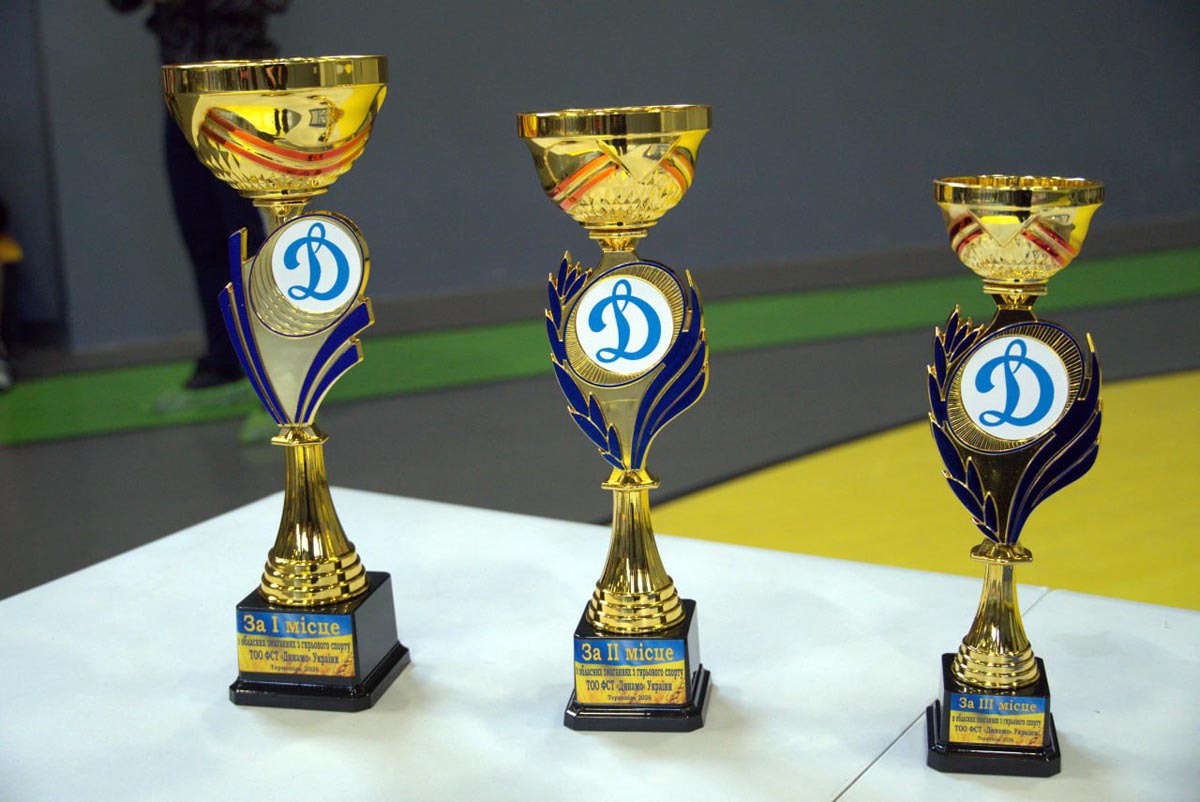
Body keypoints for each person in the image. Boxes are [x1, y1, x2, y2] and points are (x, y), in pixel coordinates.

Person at [110, 0, 290, 405]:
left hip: (243, 90)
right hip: (182, 93)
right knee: (201, 230)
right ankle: (225, 360)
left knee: (249, 234)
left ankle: (276, 365)